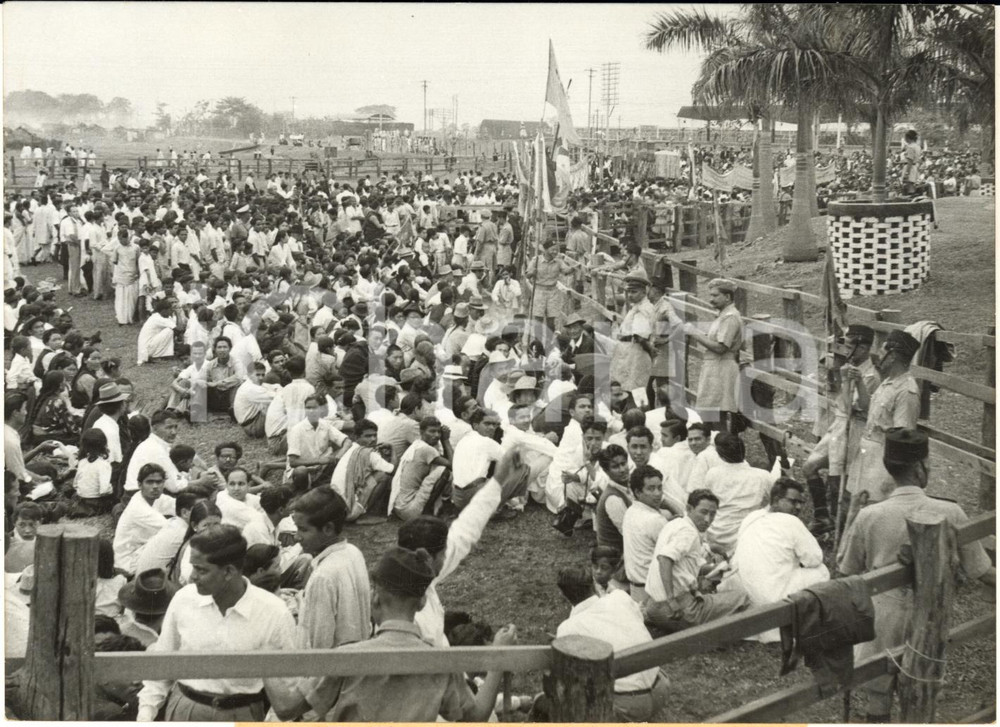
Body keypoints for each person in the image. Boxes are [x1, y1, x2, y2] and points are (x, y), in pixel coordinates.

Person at [838, 428, 994, 723]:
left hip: (882, 614)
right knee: (922, 690)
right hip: (929, 615)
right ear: (921, 468)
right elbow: (981, 571)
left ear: (889, 467)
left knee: (878, 692)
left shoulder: (869, 516)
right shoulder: (950, 511)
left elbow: (847, 572)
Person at [288, 546, 515, 722]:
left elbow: (286, 707)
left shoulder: (345, 657)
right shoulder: (443, 664)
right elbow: (476, 717)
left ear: (375, 597)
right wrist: (498, 654)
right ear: (422, 602)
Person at [135, 524, 301, 722]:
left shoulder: (274, 613)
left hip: (242, 714)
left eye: (201, 569)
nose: (192, 576)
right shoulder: (183, 599)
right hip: (185, 710)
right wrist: (144, 716)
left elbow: (286, 687)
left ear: (229, 571)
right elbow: (161, 667)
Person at [555, 568, 668, 722]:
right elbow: (638, 620)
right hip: (661, 688)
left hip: (626, 705)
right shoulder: (620, 597)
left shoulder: (568, 628)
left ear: (565, 595)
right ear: (593, 584)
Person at [722, 478, 828, 642]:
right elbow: (814, 559)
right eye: (793, 502)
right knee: (821, 571)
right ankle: (796, 619)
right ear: (777, 500)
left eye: (800, 502)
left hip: (745, 596)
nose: (798, 507)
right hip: (774, 599)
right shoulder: (790, 521)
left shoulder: (752, 517)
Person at [802, 324, 879, 534]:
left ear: (862, 349)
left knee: (840, 481)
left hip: (853, 428)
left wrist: (847, 379)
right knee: (809, 467)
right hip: (838, 425)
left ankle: (842, 529)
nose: (845, 352)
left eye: (848, 347)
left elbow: (855, 407)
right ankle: (822, 516)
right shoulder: (847, 368)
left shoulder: (870, 375)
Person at [644, 489, 749, 632]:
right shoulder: (688, 532)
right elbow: (664, 559)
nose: (708, 520)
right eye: (703, 512)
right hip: (674, 610)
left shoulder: (675, 524)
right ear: (689, 508)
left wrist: (715, 568)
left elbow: (682, 565)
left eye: (712, 514)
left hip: (653, 606)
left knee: (708, 594)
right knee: (742, 597)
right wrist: (671, 600)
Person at [845, 329, 920, 517]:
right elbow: (869, 409)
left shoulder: (906, 391)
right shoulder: (888, 382)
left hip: (882, 458)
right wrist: (860, 383)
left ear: (892, 355)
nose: (877, 355)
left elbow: (903, 437)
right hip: (866, 453)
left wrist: (890, 476)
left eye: (882, 350)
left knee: (872, 511)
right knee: (857, 508)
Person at [292, 488, 372, 649]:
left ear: (328, 528)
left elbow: (318, 644)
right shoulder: (353, 552)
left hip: (334, 668)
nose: (296, 536)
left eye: (303, 529)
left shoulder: (323, 576)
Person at [673, 278, 742, 431]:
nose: (711, 299)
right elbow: (715, 340)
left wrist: (695, 334)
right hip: (714, 369)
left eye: (715, 296)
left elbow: (721, 348)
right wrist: (699, 333)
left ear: (728, 297)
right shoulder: (722, 315)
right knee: (709, 415)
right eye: (710, 295)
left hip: (722, 369)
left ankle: (721, 449)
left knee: (717, 416)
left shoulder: (730, 317)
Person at [702, 432, 782, 556]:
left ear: (720, 456)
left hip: (715, 535)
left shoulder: (713, 473)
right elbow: (779, 495)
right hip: (744, 538)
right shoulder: (761, 476)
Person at [113, 463, 176, 576]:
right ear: (139, 484)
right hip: (128, 563)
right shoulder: (138, 507)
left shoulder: (156, 498)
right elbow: (171, 530)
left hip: (141, 551)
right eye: (149, 482)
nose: (155, 486)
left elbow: (178, 506)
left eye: (159, 482)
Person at [389, 416, 453, 522]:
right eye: (432, 431)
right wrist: (445, 440)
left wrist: (442, 439)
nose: (436, 435)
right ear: (422, 432)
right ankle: (428, 513)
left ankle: (434, 509)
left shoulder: (417, 445)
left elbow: (446, 460)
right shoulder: (426, 449)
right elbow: (452, 465)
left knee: (441, 469)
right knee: (444, 471)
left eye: (438, 432)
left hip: (401, 508)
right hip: (410, 510)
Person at [330, 418, 395, 522]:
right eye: (368, 436)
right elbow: (393, 470)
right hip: (349, 510)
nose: (373, 439)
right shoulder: (369, 454)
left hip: (338, 509)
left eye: (375, 435)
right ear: (356, 437)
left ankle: (361, 510)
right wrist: (393, 449)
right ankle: (365, 514)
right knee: (383, 476)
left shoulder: (352, 449)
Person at [622, 465, 671, 604]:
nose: (657, 493)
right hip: (654, 593)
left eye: (660, 488)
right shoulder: (655, 520)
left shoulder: (631, 511)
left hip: (636, 589)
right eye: (651, 489)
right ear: (638, 492)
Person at [134, 491, 203, 578]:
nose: (205, 512)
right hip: (152, 585)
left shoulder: (174, 522)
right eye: (200, 509)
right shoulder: (182, 532)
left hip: (143, 579)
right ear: (185, 513)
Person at [285, 394, 349, 485]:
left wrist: (339, 455)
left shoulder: (325, 424)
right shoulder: (297, 430)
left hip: (321, 469)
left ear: (322, 409)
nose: (311, 411)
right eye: (308, 408)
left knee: (346, 452)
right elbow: (293, 462)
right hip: (302, 471)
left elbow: (347, 441)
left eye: (315, 408)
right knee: (301, 471)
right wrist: (319, 460)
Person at [610, 268, 656, 392]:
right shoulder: (636, 307)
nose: (630, 295)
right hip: (628, 352)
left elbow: (640, 336)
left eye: (634, 292)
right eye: (628, 292)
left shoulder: (643, 309)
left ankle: (639, 411)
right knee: (627, 388)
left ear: (643, 292)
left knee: (636, 390)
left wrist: (650, 350)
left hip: (637, 353)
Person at [124, 409, 182, 493]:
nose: (174, 432)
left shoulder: (153, 444)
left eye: (175, 427)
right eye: (169, 427)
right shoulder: (155, 449)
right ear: (155, 429)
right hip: (139, 496)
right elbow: (176, 486)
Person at [136, 298, 177, 364]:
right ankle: (155, 357)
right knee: (169, 331)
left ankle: (162, 354)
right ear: (163, 310)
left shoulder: (162, 316)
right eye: (170, 309)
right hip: (147, 349)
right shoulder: (157, 318)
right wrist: (178, 313)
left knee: (169, 331)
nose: (172, 311)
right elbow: (177, 329)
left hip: (149, 346)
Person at [901, 129, 922, 196]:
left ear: (908, 138)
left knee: (909, 186)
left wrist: (907, 173)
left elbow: (910, 160)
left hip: (909, 168)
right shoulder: (917, 146)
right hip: (915, 167)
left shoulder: (911, 147)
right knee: (911, 185)